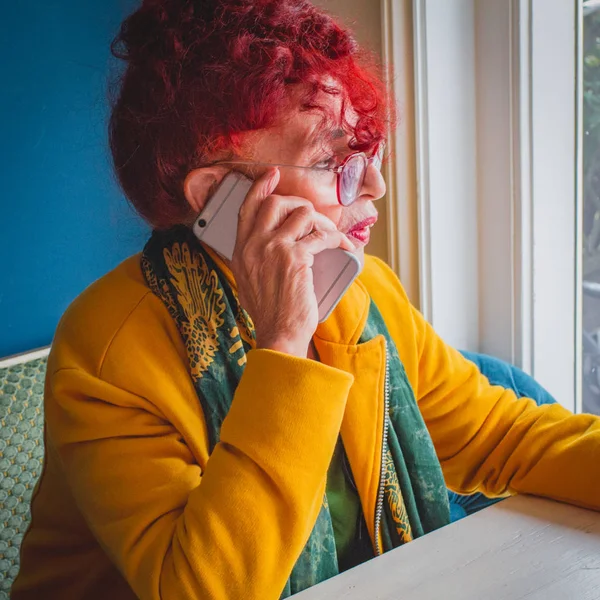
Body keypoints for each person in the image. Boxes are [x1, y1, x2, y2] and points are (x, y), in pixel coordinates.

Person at [13, 1, 600, 598]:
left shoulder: (362, 291)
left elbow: (499, 435)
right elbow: (207, 589)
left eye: (367, 149)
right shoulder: (105, 352)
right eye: (331, 161)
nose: (376, 186)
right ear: (223, 195)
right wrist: (285, 344)